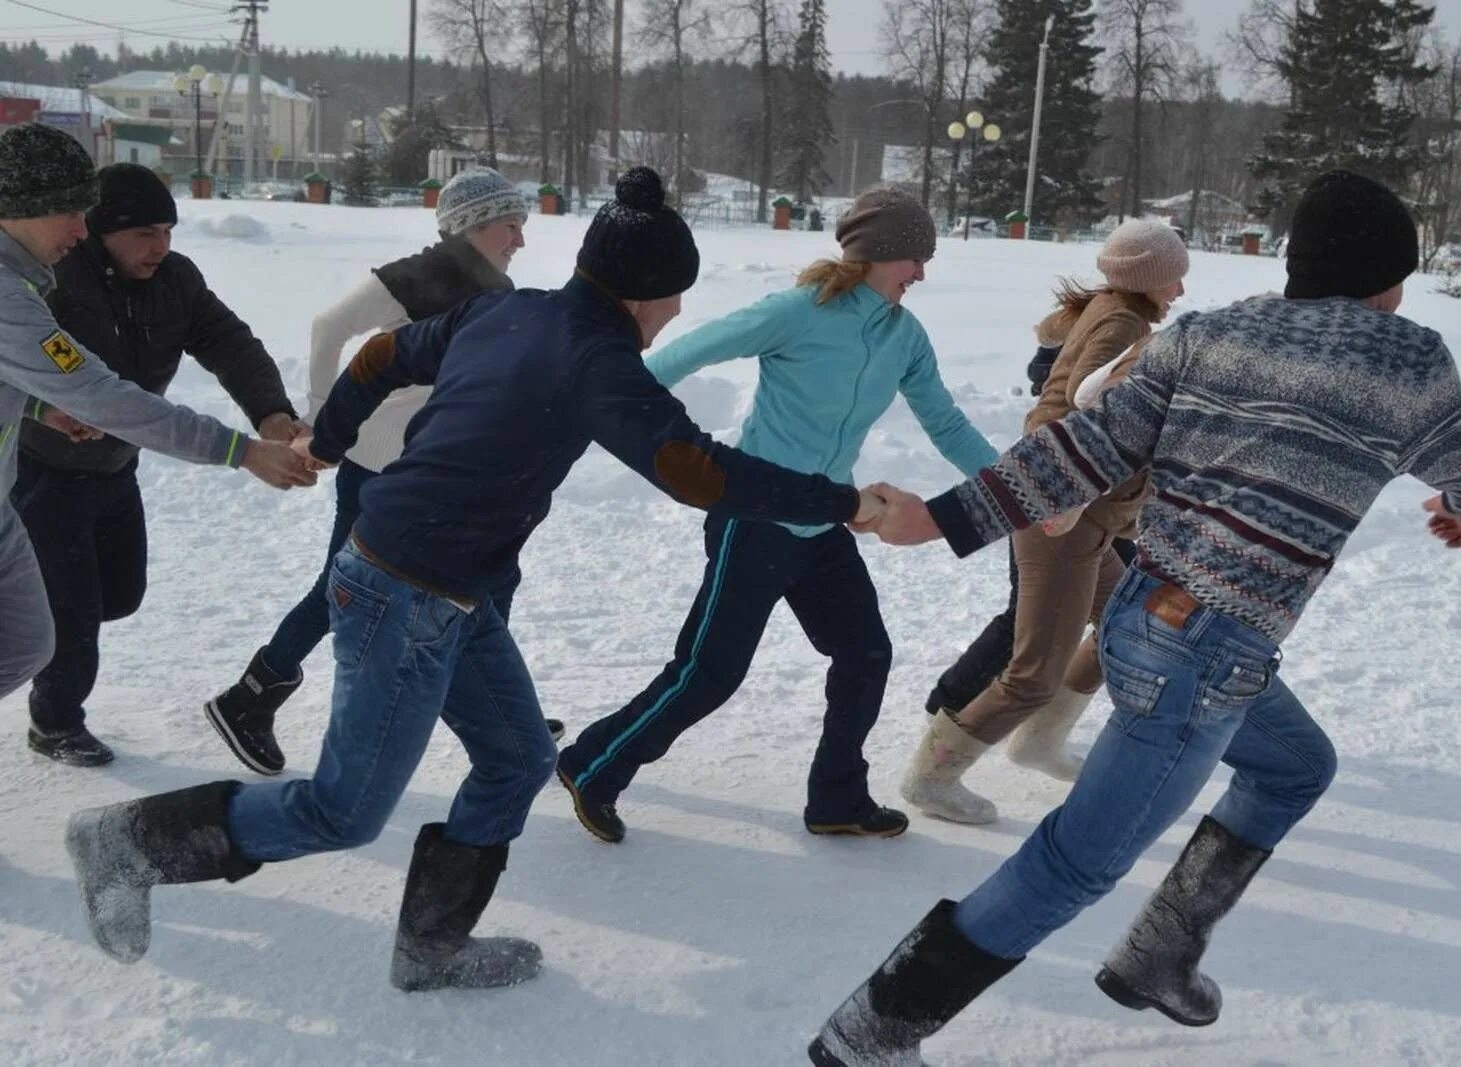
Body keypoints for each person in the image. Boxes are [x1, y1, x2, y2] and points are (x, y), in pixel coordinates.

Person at [66, 167, 888, 992]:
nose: (676, 313)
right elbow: (697, 472)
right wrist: (842, 500)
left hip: (451, 593)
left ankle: (430, 948)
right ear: (643, 294)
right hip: (400, 590)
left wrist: (332, 438)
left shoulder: (509, 310)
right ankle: (128, 842)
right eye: (674, 297)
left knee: (517, 757)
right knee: (341, 811)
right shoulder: (599, 362)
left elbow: (383, 355)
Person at [809, 170, 1461, 1064]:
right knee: (1074, 863)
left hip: (1144, 615)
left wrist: (941, 516)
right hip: (1211, 657)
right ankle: (871, 1030)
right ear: (1390, 280)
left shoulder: (1207, 335)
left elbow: (1084, 446)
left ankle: (1160, 952)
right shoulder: (1409, 366)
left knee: (1297, 766)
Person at [558, 186, 998, 844]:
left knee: (864, 651)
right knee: (709, 672)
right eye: (914, 258)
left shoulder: (905, 337)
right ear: (878, 256)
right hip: (754, 513)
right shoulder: (800, 312)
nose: (922, 274)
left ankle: (837, 797)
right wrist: (612, 411)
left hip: (824, 520)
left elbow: (946, 422)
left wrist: (1008, 489)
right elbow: (689, 351)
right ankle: (593, 763)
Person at [204, 166, 565, 778]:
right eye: (512, 226)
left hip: (437, 469)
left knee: (487, 582)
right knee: (345, 590)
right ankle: (250, 697)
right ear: (474, 225)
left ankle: (504, 714)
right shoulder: (421, 273)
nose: (520, 241)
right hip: (378, 467)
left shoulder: (496, 292)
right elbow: (328, 327)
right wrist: (323, 421)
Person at [0, 126, 311, 724]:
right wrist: (237, 451)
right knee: (66, 619)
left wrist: (269, 412)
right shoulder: (29, 294)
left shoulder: (160, 280)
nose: (78, 228)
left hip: (106, 468)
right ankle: (57, 720)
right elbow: (96, 391)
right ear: (21, 209)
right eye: (70, 211)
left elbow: (227, 341)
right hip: (48, 476)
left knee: (38, 636)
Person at [900, 219, 1189, 824]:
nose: (1180, 293)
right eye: (1174, 280)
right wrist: (1067, 496)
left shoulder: (1114, 310)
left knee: (1130, 629)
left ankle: (1038, 741)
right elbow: (1082, 411)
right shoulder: (1122, 322)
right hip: (1062, 512)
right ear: (1148, 279)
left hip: (1081, 513)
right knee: (1033, 672)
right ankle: (933, 777)